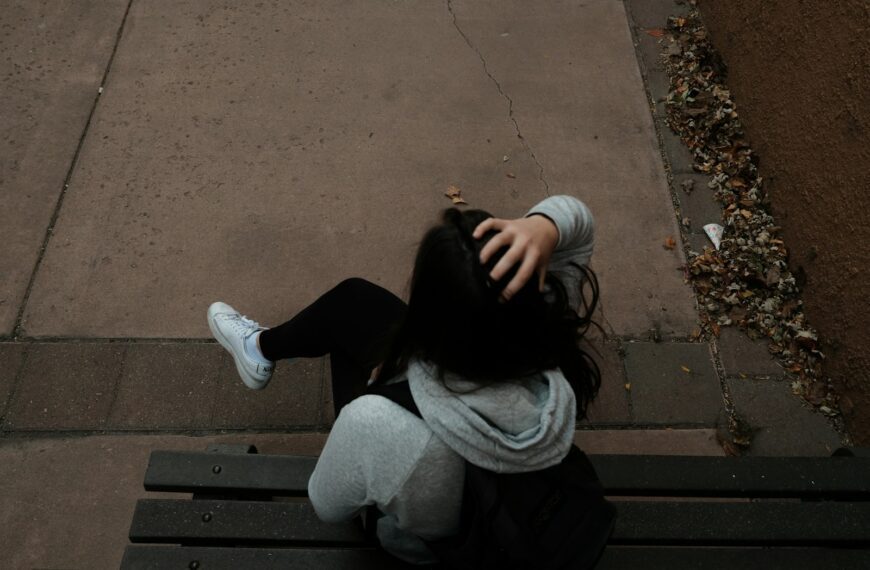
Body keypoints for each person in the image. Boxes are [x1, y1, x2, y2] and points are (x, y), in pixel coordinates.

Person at [207, 194, 601, 564]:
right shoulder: (549, 344)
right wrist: (543, 225)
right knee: (354, 301)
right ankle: (259, 348)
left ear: (431, 316)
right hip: (522, 501)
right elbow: (578, 222)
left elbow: (327, 504)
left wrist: (386, 395)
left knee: (350, 336)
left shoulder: (380, 423)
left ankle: (257, 350)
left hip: (428, 549)